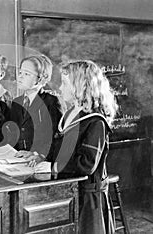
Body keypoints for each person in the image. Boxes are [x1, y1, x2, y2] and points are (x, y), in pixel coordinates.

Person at [28, 60, 118, 234]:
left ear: (81, 87)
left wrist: (53, 167)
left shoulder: (96, 122)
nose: (60, 88)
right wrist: (44, 158)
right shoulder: (71, 114)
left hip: (88, 199)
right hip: (71, 193)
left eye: (65, 83)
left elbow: (86, 164)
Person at [8, 54, 63, 160]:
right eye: (20, 72)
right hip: (19, 160)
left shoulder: (51, 102)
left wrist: (39, 155)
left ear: (42, 78)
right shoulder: (16, 102)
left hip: (41, 161)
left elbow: (56, 138)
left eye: (27, 74)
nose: (20, 77)